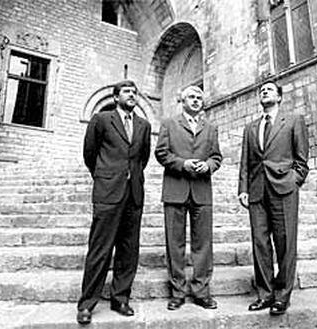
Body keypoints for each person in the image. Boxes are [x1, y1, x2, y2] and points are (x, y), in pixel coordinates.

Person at [77, 80, 151, 325]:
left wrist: (133, 179)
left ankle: (120, 298)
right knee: (100, 248)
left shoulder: (144, 125)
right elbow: (90, 154)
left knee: (129, 251)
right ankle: (87, 303)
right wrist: (106, 176)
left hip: (133, 194)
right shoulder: (101, 119)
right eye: (127, 92)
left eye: (135, 93)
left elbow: (143, 157)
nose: (132, 95)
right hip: (108, 192)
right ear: (116, 96)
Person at [238, 80, 309, 315]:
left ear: (279, 97)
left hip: (283, 188)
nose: (264, 92)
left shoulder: (294, 121)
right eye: (261, 90)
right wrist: (243, 189)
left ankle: (282, 296)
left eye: (269, 89)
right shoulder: (251, 127)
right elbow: (246, 162)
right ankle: (265, 294)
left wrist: (294, 180)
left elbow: (301, 160)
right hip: (257, 191)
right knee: (260, 243)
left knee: (285, 242)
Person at [155, 85, 222, 311]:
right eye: (191, 97)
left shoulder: (211, 128)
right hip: (176, 188)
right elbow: (161, 153)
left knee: (203, 243)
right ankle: (177, 291)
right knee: (175, 244)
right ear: (182, 101)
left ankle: (202, 291)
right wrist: (182, 164)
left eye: (199, 98)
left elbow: (217, 157)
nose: (195, 101)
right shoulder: (169, 124)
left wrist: (209, 165)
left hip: (202, 191)